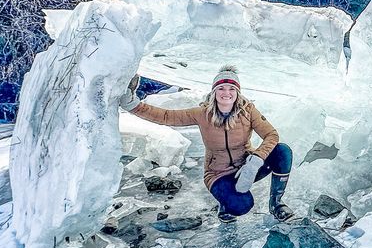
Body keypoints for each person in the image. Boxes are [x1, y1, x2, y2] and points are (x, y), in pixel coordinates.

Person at [118, 64, 294, 224]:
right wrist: (134, 106)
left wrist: (255, 161)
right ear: (214, 91)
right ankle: (225, 203)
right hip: (218, 173)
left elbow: (271, 134)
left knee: (282, 152)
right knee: (242, 205)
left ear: (237, 92)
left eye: (231, 88)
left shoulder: (248, 111)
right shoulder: (203, 113)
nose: (227, 93)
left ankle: (276, 204)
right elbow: (166, 116)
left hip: (246, 168)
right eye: (221, 88)